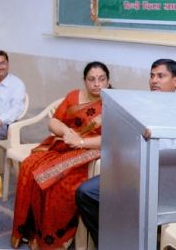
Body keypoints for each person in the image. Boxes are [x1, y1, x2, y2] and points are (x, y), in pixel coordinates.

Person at [75, 58, 176, 248]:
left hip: (162, 180)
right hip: (133, 173)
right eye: (151, 76)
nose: (154, 80)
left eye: (161, 76)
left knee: (128, 204)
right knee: (86, 193)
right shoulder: (141, 106)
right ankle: (111, 244)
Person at [11, 61, 111, 250]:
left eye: (101, 79)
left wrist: (80, 142)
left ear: (108, 80)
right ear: (84, 81)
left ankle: (55, 239)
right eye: (91, 79)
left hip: (91, 152)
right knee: (30, 165)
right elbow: (54, 122)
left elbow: (111, 138)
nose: (97, 84)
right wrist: (68, 133)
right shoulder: (74, 96)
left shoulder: (112, 104)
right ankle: (33, 231)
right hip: (64, 145)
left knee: (57, 183)